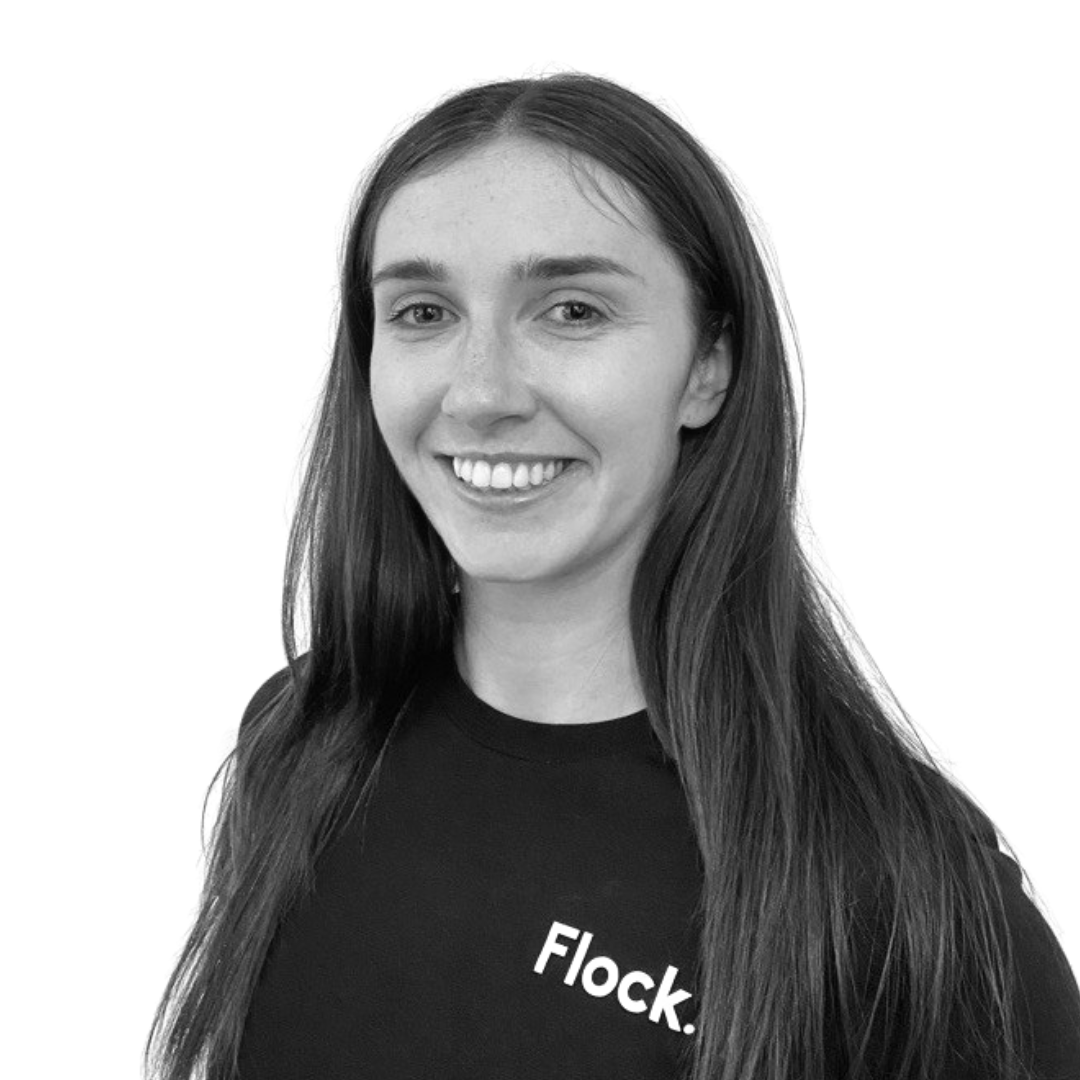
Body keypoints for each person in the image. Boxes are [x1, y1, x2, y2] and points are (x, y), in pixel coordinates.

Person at [144, 73, 1080, 1080]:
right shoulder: (302, 741)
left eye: (573, 311)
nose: (481, 392)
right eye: (421, 312)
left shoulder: (899, 892)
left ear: (708, 367)